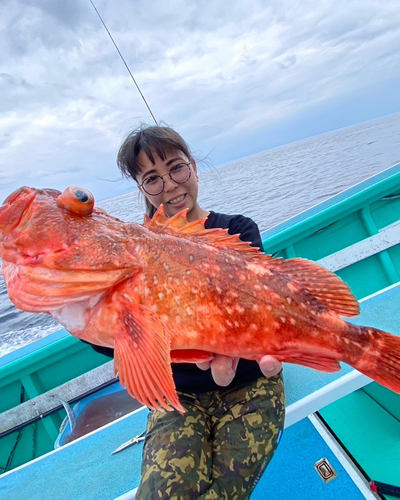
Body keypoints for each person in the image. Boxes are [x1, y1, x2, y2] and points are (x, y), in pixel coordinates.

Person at [88, 125, 285, 500]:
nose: (171, 185)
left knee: (226, 492)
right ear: (142, 189)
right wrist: (83, 314)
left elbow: (261, 305)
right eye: (152, 179)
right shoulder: (130, 252)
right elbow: (113, 340)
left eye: (176, 168)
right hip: (178, 397)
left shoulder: (238, 230)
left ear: (193, 167)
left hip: (250, 383)